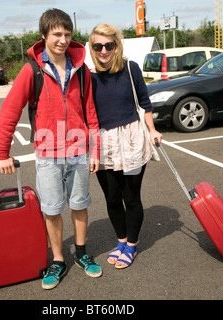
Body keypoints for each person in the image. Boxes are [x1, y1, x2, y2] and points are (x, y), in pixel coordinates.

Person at [0, 9, 102, 290]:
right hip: (48, 153)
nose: (63, 40)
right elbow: (10, 111)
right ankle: (57, 259)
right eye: (57, 34)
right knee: (52, 209)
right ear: (44, 36)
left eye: (67, 34)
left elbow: (90, 111)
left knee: (80, 205)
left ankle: (81, 253)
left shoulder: (82, 70)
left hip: (79, 149)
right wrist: (2, 153)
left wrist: (96, 151)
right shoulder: (31, 70)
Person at [89, 24, 163, 269]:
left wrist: (152, 130)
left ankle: (131, 245)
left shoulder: (131, 68)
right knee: (111, 197)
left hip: (131, 141)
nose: (103, 51)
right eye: (98, 46)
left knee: (131, 197)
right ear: (92, 47)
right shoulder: (88, 76)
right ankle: (120, 241)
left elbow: (145, 103)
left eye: (109, 45)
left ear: (116, 45)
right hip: (102, 143)